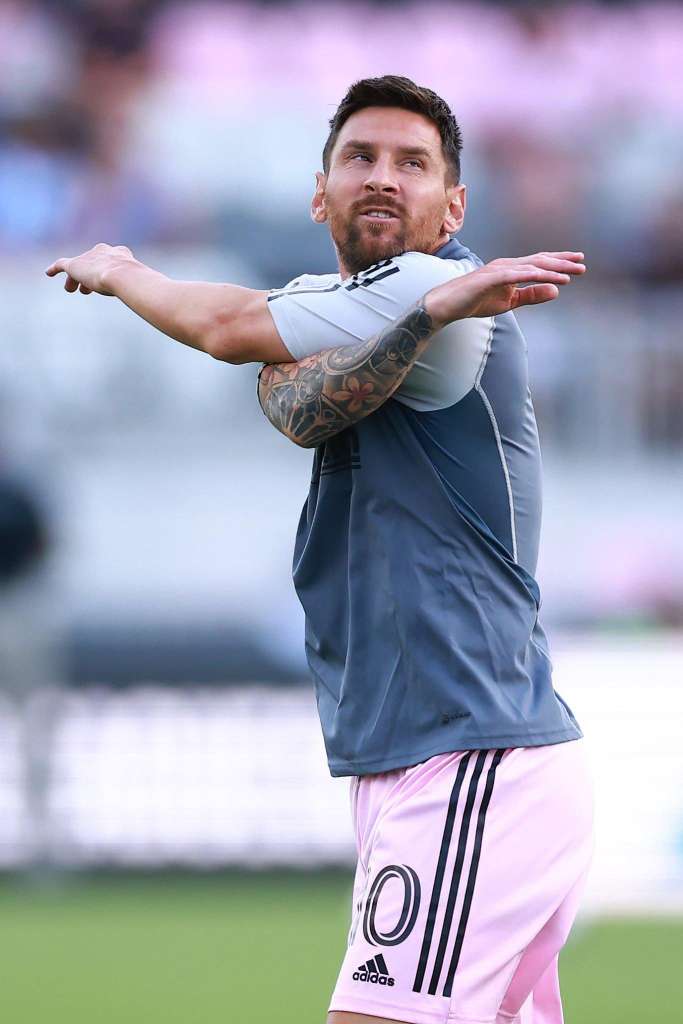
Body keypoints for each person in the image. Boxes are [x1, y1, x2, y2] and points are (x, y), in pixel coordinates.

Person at [46, 75, 592, 1024]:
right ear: (318, 193)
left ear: (453, 208)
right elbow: (296, 401)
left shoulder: (435, 288)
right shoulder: (364, 304)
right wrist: (394, 327)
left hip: (470, 749)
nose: (382, 177)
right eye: (360, 157)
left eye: (412, 164)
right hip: (430, 753)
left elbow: (226, 330)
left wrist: (121, 268)